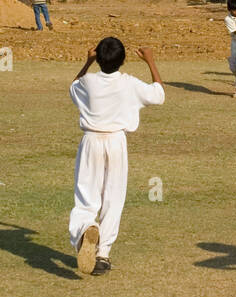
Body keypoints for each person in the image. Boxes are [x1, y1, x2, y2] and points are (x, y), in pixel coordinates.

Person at [68, 38, 165, 276]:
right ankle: (103, 254)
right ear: (123, 61)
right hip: (116, 142)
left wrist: (87, 62)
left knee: (86, 194)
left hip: (91, 140)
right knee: (113, 196)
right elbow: (159, 95)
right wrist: (151, 61)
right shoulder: (129, 83)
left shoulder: (88, 82)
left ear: (98, 58)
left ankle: (87, 227)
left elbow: (73, 88)